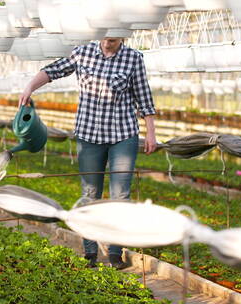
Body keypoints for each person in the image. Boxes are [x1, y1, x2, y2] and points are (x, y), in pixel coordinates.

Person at [19, 37, 157, 270]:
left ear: (123, 37)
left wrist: (151, 132)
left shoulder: (134, 58)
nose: (108, 44)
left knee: (120, 196)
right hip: (89, 134)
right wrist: (29, 88)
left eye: (113, 41)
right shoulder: (82, 53)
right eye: (105, 39)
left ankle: (115, 253)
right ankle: (90, 251)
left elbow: (144, 97)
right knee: (90, 193)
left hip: (122, 134)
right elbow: (54, 70)